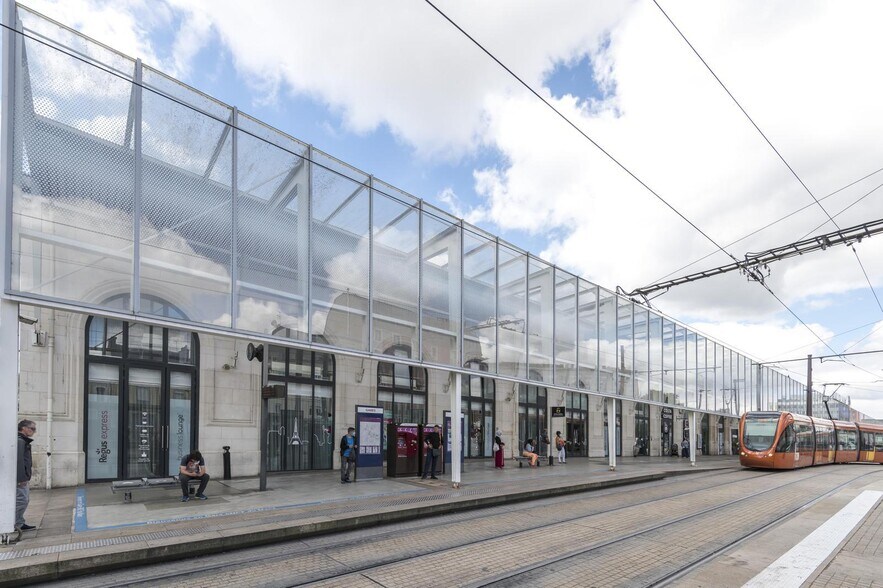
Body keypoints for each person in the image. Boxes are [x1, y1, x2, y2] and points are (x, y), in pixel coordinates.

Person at [16, 420, 36, 532]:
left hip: (23, 477)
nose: (34, 431)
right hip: (21, 479)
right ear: (24, 428)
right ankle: (16, 523)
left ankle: (18, 522)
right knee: (21, 500)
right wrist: (21, 478)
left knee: (24, 499)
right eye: (32, 429)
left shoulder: (23, 441)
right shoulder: (20, 441)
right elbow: (19, 461)